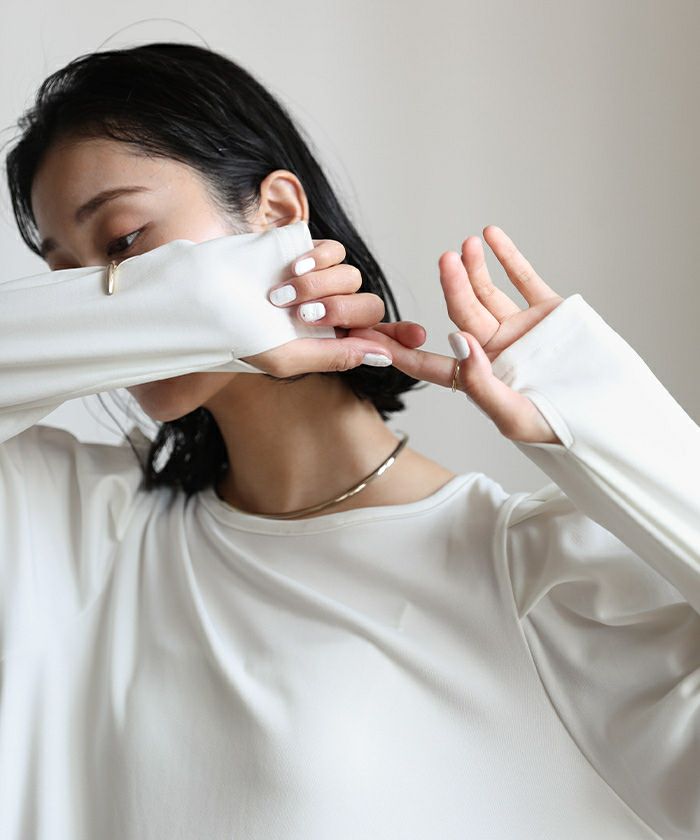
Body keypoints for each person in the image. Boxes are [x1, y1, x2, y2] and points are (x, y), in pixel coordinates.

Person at [1, 42, 697, 840]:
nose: (106, 300)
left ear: (278, 213)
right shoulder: (80, 530)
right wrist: (204, 304)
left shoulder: (531, 577)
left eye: (124, 243)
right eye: (69, 283)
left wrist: (609, 424)